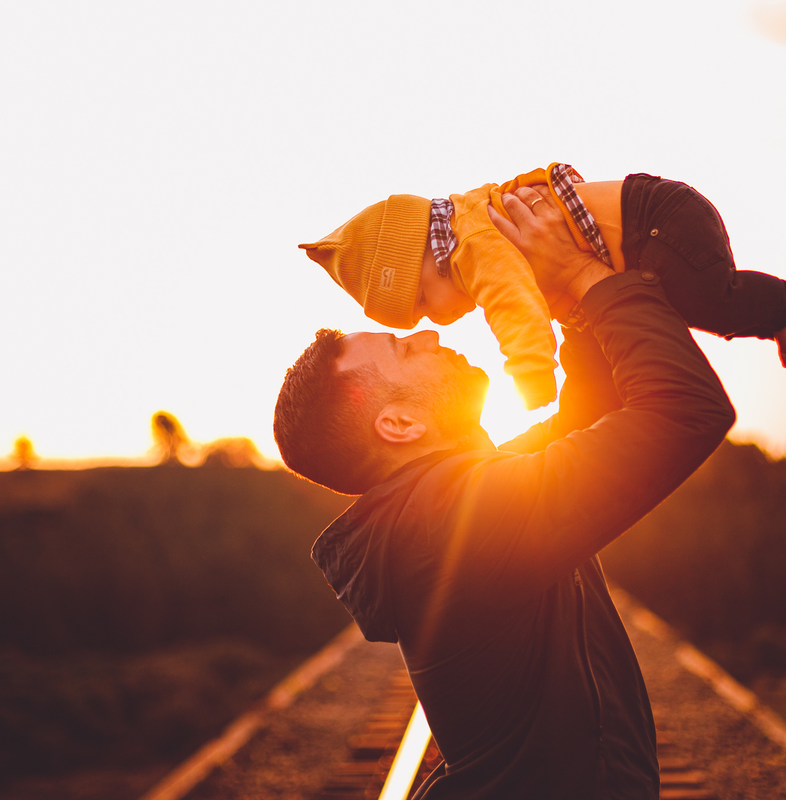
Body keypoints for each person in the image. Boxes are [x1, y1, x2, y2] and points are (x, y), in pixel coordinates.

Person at [273, 185, 736, 799]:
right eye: (404, 348)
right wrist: (586, 276)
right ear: (399, 424)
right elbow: (685, 412)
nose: (432, 335)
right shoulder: (457, 518)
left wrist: (567, 293)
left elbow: (595, 410)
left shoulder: (446, 506)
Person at [300, 165, 786, 411]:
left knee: (711, 302)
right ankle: (573, 439)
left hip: (656, 225)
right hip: (630, 255)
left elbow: (517, 308)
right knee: (595, 383)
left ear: (424, 256)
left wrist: (531, 375)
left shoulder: (472, 243)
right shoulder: (467, 237)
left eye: (420, 305)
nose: (435, 322)